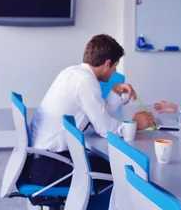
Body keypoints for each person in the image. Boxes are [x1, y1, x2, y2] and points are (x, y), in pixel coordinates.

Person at [26, 34, 154, 188]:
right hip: (50, 166)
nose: (115, 71)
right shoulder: (86, 81)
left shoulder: (72, 72)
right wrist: (134, 124)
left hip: (39, 160)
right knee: (127, 171)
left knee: (110, 163)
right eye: (115, 66)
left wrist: (115, 92)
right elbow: (105, 129)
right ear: (107, 64)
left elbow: (97, 117)